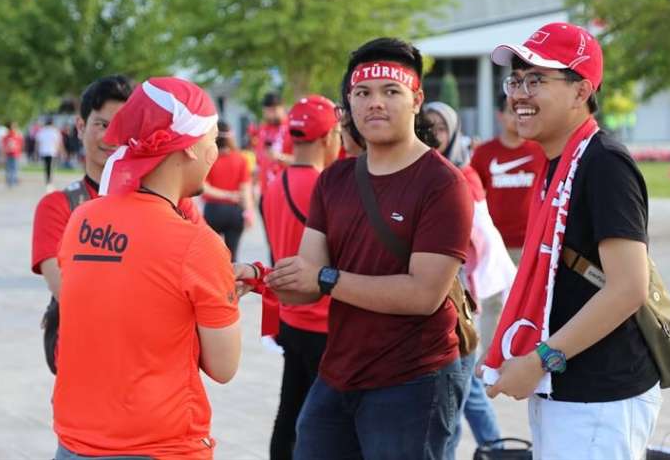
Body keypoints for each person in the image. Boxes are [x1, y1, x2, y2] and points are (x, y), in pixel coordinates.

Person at [258, 38, 473, 460]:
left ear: (416, 99)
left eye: (390, 91)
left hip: (413, 380)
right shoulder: (334, 179)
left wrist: (325, 279)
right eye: (363, 93)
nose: (375, 103)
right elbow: (305, 283)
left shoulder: (443, 184)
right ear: (349, 106)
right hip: (337, 375)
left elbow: (422, 295)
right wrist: (259, 279)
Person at [481, 22, 660, 460]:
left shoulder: (603, 165)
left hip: (600, 395)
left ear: (581, 92)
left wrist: (539, 360)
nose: (519, 94)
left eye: (537, 80)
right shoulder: (555, 164)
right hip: (566, 388)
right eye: (516, 79)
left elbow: (627, 288)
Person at [53, 77, 240, 459]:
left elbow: (122, 295)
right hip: (160, 446)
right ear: (187, 149)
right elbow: (223, 366)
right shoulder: (197, 244)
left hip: (75, 442)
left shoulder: (83, 219)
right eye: (211, 143)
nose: (215, 156)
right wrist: (221, 296)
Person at [31, 75, 202, 374]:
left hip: (157, 367)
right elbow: (68, 292)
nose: (112, 137)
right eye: (102, 124)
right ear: (81, 127)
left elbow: (207, 268)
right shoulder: (58, 206)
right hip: (87, 365)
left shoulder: (176, 202)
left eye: (125, 125)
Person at [423, 103, 512, 455]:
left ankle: (497, 449)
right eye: (425, 127)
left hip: (460, 297)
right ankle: (499, 449)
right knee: (466, 388)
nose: (432, 135)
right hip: (448, 300)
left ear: (455, 131)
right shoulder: (423, 171)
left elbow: (479, 239)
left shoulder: (462, 174)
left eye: (439, 128)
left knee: (453, 400)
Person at [258, 95, 342, 460]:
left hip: (290, 317)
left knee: (289, 410)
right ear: (329, 137)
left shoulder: (275, 185)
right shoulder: (326, 188)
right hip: (325, 321)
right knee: (326, 423)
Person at [470, 94, 545, 263]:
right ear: (500, 115)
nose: (519, 117)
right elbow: (474, 197)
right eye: (512, 111)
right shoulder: (483, 153)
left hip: (532, 243)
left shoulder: (541, 151)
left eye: (524, 112)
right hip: (494, 244)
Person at [202, 121, 255, 261]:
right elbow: (246, 190)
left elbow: (204, 188)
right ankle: (231, 282)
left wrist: (225, 195)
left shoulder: (208, 159)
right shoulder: (241, 159)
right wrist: (249, 212)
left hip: (213, 210)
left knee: (211, 255)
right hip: (235, 210)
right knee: (233, 256)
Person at [36, 117, 63, 190]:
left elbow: (38, 141)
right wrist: (60, 150)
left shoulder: (42, 130)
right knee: (51, 166)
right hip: (52, 151)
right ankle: (49, 180)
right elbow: (58, 142)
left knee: (46, 166)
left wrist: (37, 150)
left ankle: (48, 180)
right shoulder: (55, 131)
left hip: (44, 151)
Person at [1, 121, 24, 187]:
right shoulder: (16, 135)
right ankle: (12, 181)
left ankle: (10, 181)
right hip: (14, 153)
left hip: (10, 153)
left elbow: (4, 145)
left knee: (10, 168)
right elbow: (20, 144)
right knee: (14, 168)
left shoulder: (6, 136)